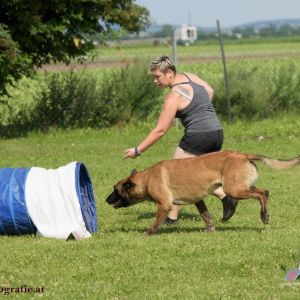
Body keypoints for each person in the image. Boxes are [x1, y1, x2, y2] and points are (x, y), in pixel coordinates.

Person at [123, 56, 238, 224]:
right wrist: (200, 111)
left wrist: (138, 150)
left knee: (175, 176)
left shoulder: (174, 96)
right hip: (216, 131)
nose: (155, 81)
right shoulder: (190, 77)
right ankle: (174, 216)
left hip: (198, 135)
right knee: (196, 174)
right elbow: (210, 90)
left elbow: (160, 130)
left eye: (157, 76)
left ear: (169, 73)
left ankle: (223, 197)